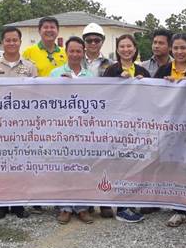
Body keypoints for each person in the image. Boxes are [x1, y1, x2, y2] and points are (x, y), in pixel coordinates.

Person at [154, 32, 186, 228]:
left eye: (184, 48)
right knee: (173, 167)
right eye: (176, 48)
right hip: (170, 129)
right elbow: (152, 95)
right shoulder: (164, 69)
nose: (180, 52)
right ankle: (178, 209)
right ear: (171, 50)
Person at [101, 34, 150, 224]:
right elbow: (106, 96)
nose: (126, 49)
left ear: (135, 48)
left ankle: (131, 202)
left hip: (137, 126)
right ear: (117, 49)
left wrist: (142, 83)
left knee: (134, 166)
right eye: (122, 46)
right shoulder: (111, 70)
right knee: (119, 166)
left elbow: (152, 98)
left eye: (129, 46)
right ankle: (121, 208)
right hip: (117, 126)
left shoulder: (142, 71)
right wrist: (118, 81)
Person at [0, 26, 36, 220]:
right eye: (7, 40)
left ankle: (18, 203)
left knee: (20, 162)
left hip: (22, 123)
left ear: (20, 42)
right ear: (2, 43)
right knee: (0, 163)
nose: (11, 43)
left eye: (14, 40)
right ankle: (1, 204)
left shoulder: (30, 66)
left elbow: (37, 94)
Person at [50, 36, 95, 224]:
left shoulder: (90, 76)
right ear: (66, 52)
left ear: (83, 52)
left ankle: (82, 207)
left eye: (78, 51)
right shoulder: (55, 73)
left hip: (83, 129)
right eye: (72, 51)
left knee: (83, 168)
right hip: (62, 129)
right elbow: (48, 99)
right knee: (64, 169)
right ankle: (65, 207)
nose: (75, 54)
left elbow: (96, 101)